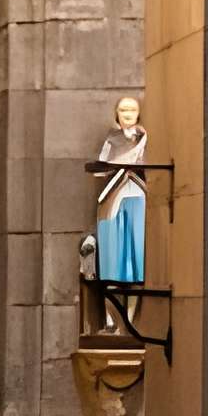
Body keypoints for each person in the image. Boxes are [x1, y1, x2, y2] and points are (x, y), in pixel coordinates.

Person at [94, 96, 148, 287]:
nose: (128, 114)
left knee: (139, 245)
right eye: (123, 110)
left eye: (132, 110)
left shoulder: (145, 138)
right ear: (116, 113)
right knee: (116, 244)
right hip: (117, 190)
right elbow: (102, 167)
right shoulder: (112, 138)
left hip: (138, 190)